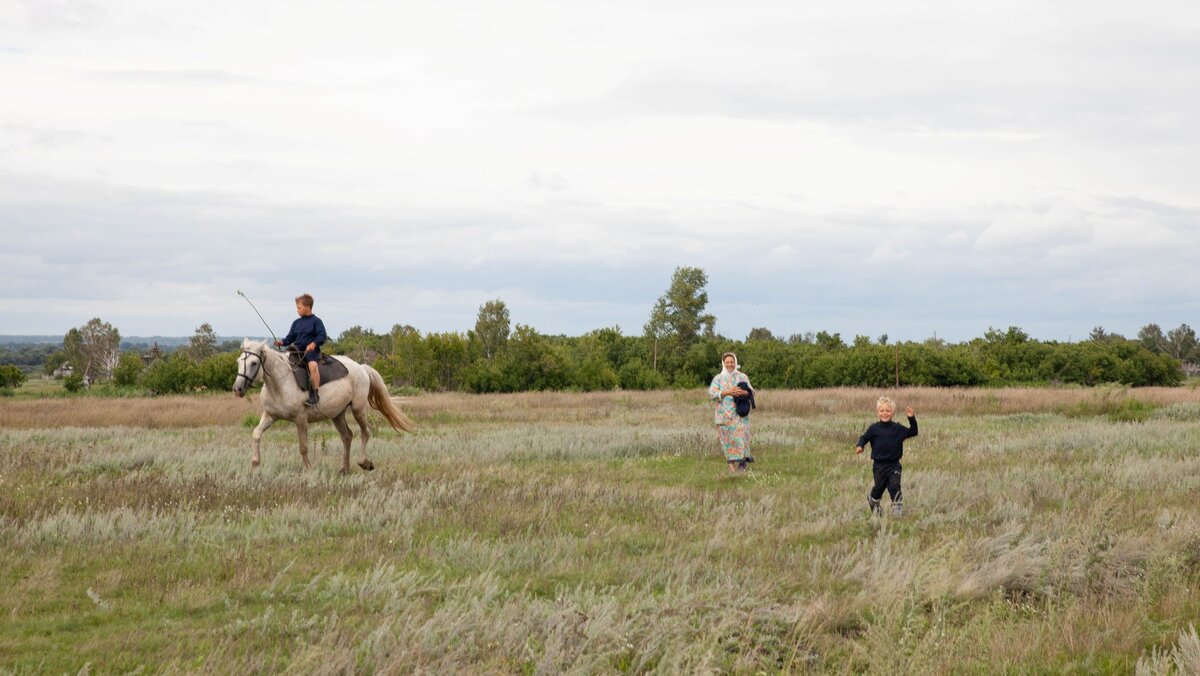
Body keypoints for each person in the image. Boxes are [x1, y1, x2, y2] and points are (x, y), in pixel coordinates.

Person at [855, 396, 918, 516]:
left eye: (888, 410)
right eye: (882, 411)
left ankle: (897, 514)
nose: (885, 413)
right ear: (877, 412)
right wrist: (860, 446)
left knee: (895, 487)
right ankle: (873, 500)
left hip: (894, 465)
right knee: (879, 488)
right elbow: (864, 438)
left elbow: (913, 432)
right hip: (879, 466)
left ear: (893, 413)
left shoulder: (897, 429)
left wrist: (911, 418)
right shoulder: (874, 429)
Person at [275, 293, 327, 407]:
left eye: (299, 308)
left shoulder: (316, 321)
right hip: (296, 350)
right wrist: (282, 342)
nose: (297, 310)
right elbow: (290, 338)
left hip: (311, 351)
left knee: (313, 366)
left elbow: (322, 336)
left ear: (307, 308)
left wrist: (313, 343)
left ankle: (315, 394)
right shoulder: (296, 323)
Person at [708, 352, 753, 474]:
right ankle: (732, 469)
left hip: (740, 415)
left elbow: (751, 392)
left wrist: (743, 393)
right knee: (727, 441)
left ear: (735, 362)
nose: (729, 364)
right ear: (723, 363)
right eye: (727, 362)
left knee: (742, 439)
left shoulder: (742, 377)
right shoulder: (718, 378)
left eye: (732, 362)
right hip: (724, 416)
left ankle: (742, 466)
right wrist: (728, 392)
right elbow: (712, 394)